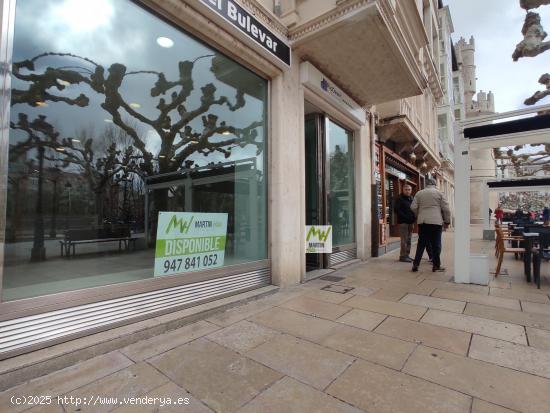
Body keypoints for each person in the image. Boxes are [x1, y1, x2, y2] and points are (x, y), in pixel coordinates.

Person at [411, 177, 451, 272]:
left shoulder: (419, 193)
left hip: (423, 221)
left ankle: (416, 264)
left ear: (426, 184)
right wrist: (447, 221)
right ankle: (436, 265)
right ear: (434, 184)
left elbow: (413, 207)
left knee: (421, 244)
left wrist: (419, 214)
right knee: (436, 244)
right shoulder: (439, 193)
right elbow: (446, 209)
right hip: (436, 222)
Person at [394, 184, 416, 262]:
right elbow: (396, 210)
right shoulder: (399, 198)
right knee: (404, 240)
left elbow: (414, 209)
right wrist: (405, 217)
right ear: (403, 190)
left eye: (409, 189)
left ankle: (407, 255)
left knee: (409, 239)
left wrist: (414, 217)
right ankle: (403, 256)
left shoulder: (411, 198)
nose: (407, 191)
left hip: (411, 222)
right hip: (403, 223)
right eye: (406, 189)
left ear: (411, 190)